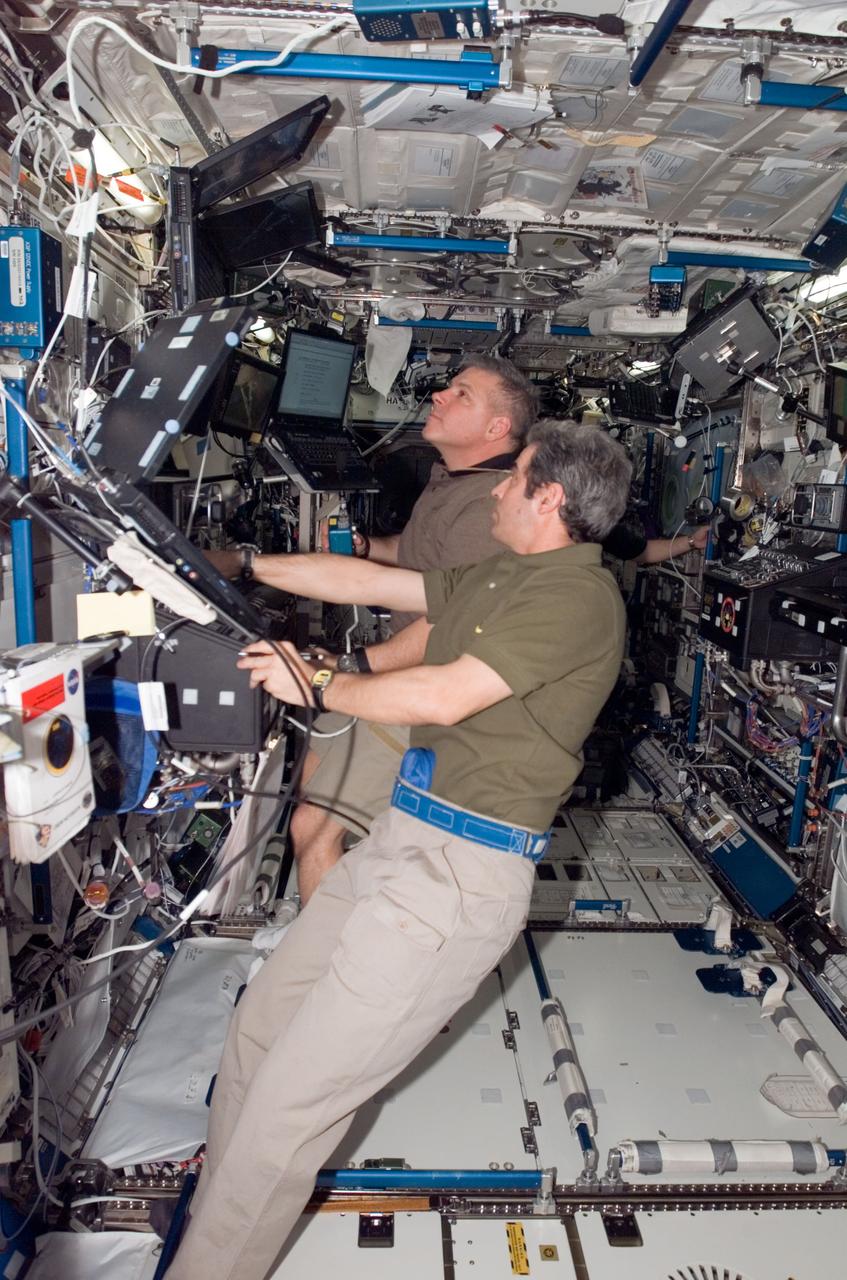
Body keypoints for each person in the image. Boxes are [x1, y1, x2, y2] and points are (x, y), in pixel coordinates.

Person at [168, 419, 632, 1280]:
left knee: (290, 1113)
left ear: (549, 499)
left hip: (456, 880)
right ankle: (221, 1213)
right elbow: (371, 580)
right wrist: (236, 566)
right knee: (257, 1031)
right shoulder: (506, 572)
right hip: (401, 844)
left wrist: (318, 682)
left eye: (512, 479)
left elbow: (448, 695)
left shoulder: (576, 598)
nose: (494, 489)